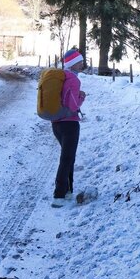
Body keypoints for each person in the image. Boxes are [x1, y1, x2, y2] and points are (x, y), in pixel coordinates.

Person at [51, 48, 87, 207]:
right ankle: (58, 195)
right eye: (80, 61)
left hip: (56, 122)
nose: (82, 64)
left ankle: (67, 191)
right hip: (69, 124)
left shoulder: (61, 77)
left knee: (68, 158)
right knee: (67, 159)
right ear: (73, 63)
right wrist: (82, 97)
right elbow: (73, 105)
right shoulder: (73, 79)